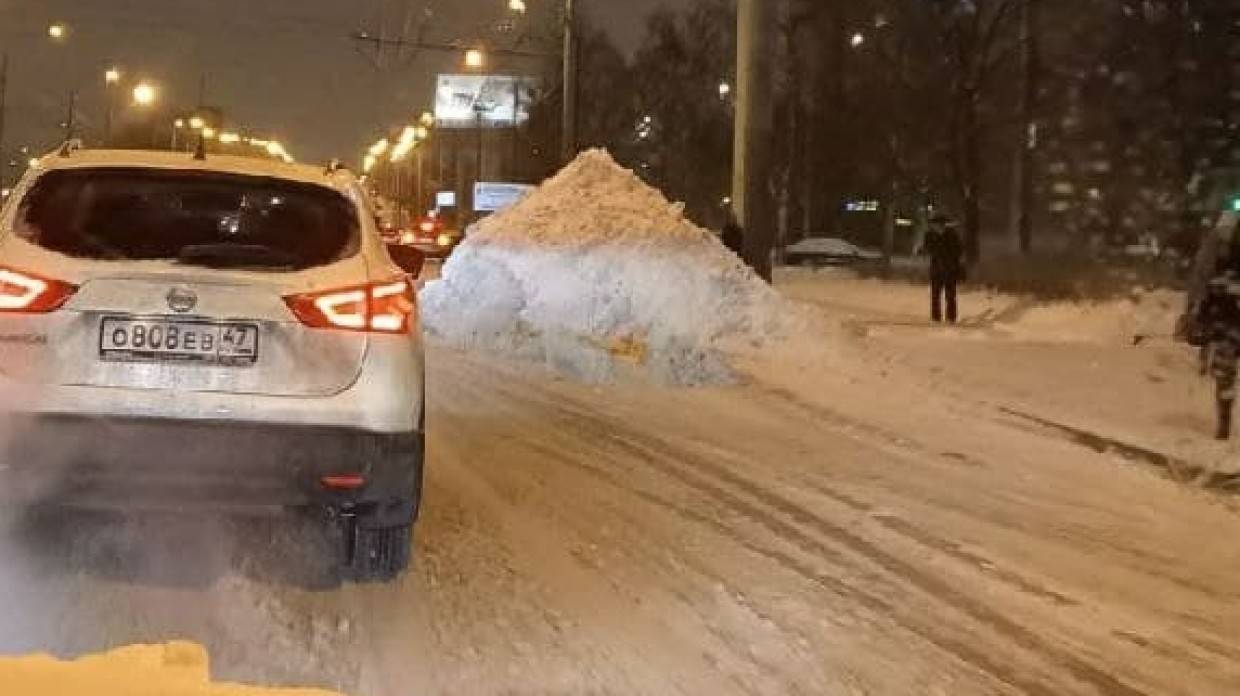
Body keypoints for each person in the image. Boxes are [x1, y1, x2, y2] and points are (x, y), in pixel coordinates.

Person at [924, 213, 965, 323]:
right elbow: (928, 248)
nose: (935, 227)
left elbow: (959, 250)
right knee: (935, 295)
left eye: (937, 224)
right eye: (934, 225)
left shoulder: (952, 235)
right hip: (937, 269)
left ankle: (951, 317)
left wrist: (951, 259)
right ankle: (936, 317)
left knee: (950, 295)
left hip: (950, 269)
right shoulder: (930, 235)